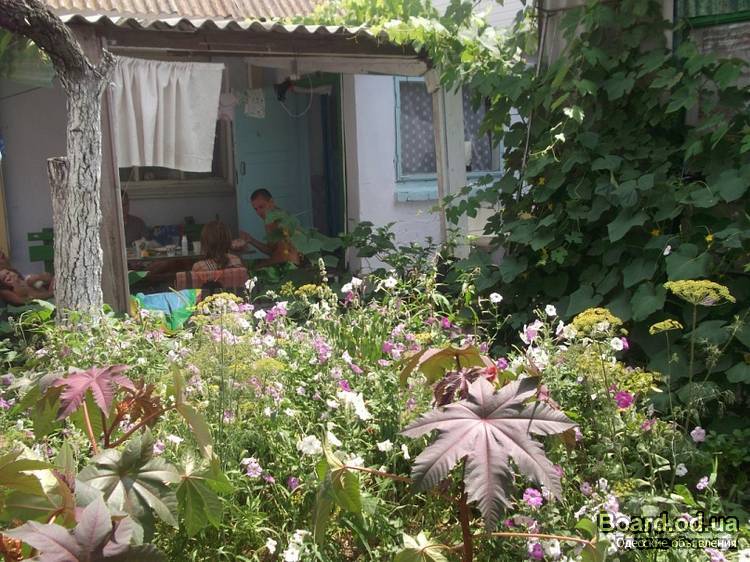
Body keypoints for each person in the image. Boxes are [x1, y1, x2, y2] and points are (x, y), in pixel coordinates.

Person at [236, 189, 301, 268]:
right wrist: (250, 240)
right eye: (256, 209)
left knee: (244, 267)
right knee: (241, 265)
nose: (259, 212)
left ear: (271, 202)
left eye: (261, 207)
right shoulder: (269, 221)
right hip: (280, 264)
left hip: (289, 267)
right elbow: (271, 250)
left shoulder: (283, 219)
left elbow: (285, 255)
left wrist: (262, 265)